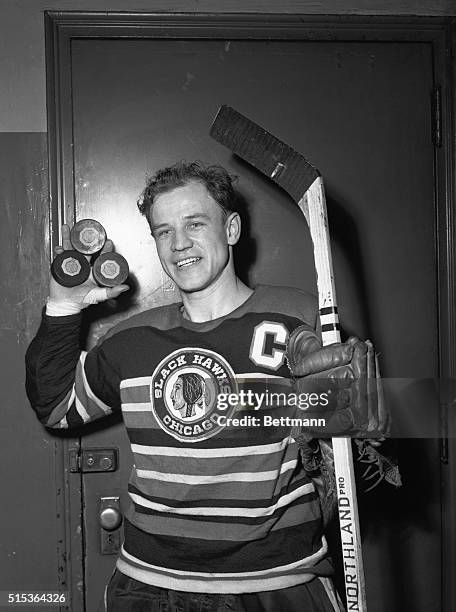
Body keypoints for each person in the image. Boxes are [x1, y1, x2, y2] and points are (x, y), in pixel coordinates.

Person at [26, 161, 387, 611]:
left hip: (276, 584)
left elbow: (366, 471)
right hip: (149, 587)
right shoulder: (131, 339)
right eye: (164, 231)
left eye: (195, 223)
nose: (179, 244)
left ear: (231, 228)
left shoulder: (297, 317)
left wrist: (352, 435)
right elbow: (56, 405)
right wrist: (62, 306)